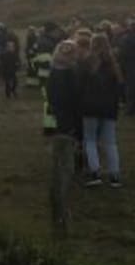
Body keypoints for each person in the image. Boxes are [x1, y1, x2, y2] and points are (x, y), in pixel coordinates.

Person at [47, 40, 83, 236]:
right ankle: (64, 192)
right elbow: (76, 97)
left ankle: (59, 188)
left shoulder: (54, 70)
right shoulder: (72, 72)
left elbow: (50, 95)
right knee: (67, 157)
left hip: (57, 117)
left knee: (58, 155)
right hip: (69, 118)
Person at [79, 34, 124, 188]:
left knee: (90, 140)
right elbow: (119, 87)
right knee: (110, 142)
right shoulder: (113, 65)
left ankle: (95, 173)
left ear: (92, 45)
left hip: (90, 107)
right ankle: (115, 176)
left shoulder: (86, 63)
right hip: (109, 107)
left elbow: (80, 86)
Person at [120, 18, 135, 115]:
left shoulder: (126, 38)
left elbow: (124, 53)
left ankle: (131, 108)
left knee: (132, 87)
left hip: (132, 65)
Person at [0, 27, 21, 98]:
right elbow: (2, 63)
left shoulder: (15, 55)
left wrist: (18, 65)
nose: (11, 48)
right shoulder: (4, 55)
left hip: (12, 70)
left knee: (15, 82)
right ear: (7, 48)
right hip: (6, 71)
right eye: (10, 47)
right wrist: (3, 70)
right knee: (7, 83)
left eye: (12, 47)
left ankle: (13, 91)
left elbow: (18, 61)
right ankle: (8, 94)